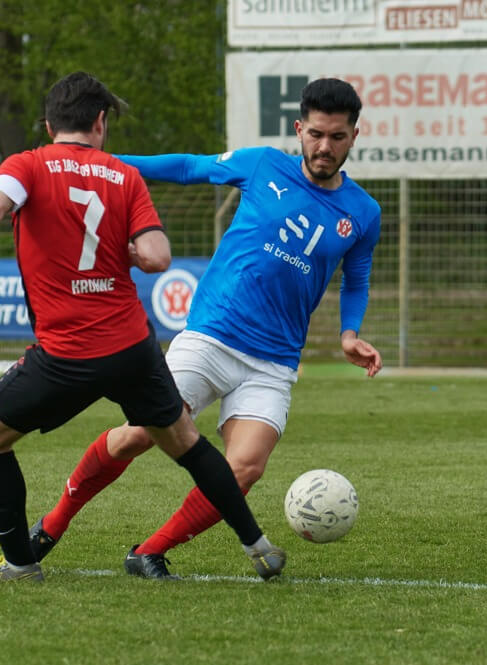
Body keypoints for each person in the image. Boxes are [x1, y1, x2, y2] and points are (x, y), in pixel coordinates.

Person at [0, 72, 285, 583]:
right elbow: (157, 256)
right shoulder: (123, 176)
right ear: (100, 122)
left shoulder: (28, 165)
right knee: (185, 441)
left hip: (67, 353)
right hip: (133, 347)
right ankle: (256, 544)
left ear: (48, 124)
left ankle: (21, 564)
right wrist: (120, 252)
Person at [28, 77, 383, 579]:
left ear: (354, 136)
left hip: (274, 362)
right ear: (300, 129)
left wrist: (349, 333)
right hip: (211, 338)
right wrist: (106, 166)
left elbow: (357, 278)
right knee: (137, 436)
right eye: (317, 134)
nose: (325, 147)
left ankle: (148, 551)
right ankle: (52, 524)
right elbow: (190, 167)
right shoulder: (262, 164)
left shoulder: (364, 213)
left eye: (338, 137)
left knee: (246, 468)